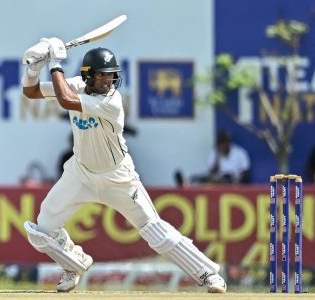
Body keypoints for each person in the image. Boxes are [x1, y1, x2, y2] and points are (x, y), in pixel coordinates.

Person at [21, 37, 227, 293]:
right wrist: (33, 68)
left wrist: (54, 62)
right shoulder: (75, 85)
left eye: (112, 76)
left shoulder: (111, 101)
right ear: (88, 76)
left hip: (118, 177)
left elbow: (65, 100)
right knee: (42, 229)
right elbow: (30, 92)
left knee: (154, 230)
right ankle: (73, 262)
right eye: (102, 76)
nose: (108, 81)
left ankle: (208, 274)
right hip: (80, 174)